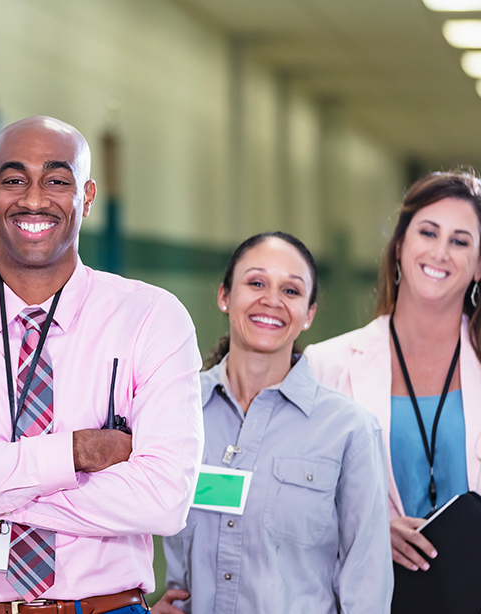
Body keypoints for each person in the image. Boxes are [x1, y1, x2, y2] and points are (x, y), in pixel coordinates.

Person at [0, 115, 204, 613]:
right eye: (14, 179)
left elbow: (163, 500)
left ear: (86, 197)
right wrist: (72, 454)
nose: (33, 198)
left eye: (57, 180)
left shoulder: (152, 319)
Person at [304, 171, 481, 574]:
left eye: (460, 241)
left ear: (480, 266)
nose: (440, 252)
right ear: (399, 247)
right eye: (428, 233)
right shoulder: (326, 365)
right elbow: (301, 504)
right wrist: (368, 531)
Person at [153, 232, 391, 614]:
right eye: (257, 283)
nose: (272, 300)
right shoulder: (174, 409)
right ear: (224, 296)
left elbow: (367, 586)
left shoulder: (349, 431)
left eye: (292, 291)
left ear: (309, 314)